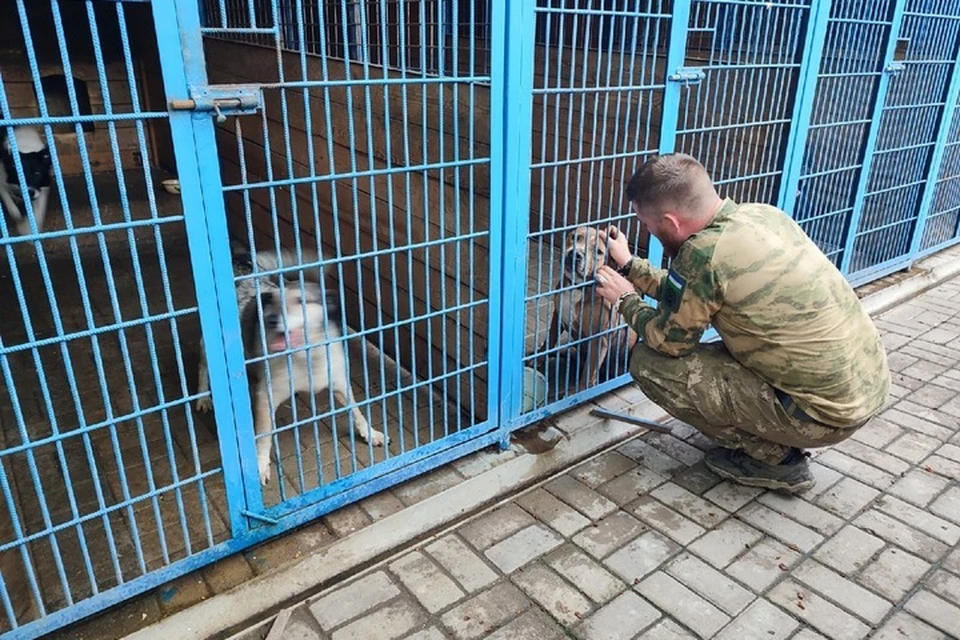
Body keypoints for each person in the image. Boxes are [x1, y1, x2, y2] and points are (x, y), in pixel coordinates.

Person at [594, 153, 890, 494]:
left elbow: (670, 341)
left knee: (651, 364)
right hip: (865, 388)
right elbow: (693, 291)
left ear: (671, 223)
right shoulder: (762, 215)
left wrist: (625, 300)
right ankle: (774, 431)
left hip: (823, 416)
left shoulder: (703, 254)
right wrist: (631, 265)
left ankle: (776, 460)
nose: (649, 231)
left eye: (648, 226)